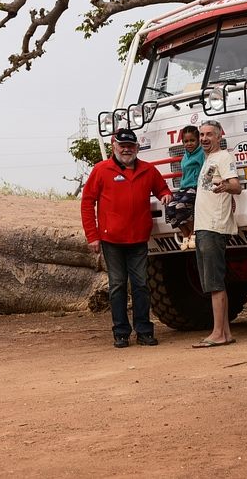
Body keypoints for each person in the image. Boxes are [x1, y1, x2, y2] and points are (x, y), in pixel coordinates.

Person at [81, 128, 173, 347]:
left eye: (130, 146)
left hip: (139, 239)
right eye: (122, 146)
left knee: (141, 285)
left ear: (137, 148)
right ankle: (121, 332)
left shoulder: (148, 170)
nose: (126, 149)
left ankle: (144, 331)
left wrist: (165, 195)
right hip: (111, 240)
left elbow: (162, 189)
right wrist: (92, 236)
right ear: (114, 147)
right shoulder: (101, 170)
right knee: (117, 285)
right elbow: (87, 203)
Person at [191, 119, 243, 348]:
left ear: (219, 136)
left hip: (213, 226)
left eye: (209, 134)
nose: (204, 138)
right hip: (204, 226)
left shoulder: (224, 157)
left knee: (214, 282)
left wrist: (226, 187)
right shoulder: (209, 159)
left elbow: (236, 186)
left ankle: (218, 333)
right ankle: (226, 333)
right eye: (201, 134)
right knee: (212, 280)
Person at [165, 125, 204, 250]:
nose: (189, 144)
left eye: (192, 140)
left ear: (198, 140)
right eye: (186, 141)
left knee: (181, 206)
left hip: (195, 186)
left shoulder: (202, 154)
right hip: (184, 187)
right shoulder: (185, 156)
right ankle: (185, 234)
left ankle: (193, 232)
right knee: (170, 207)